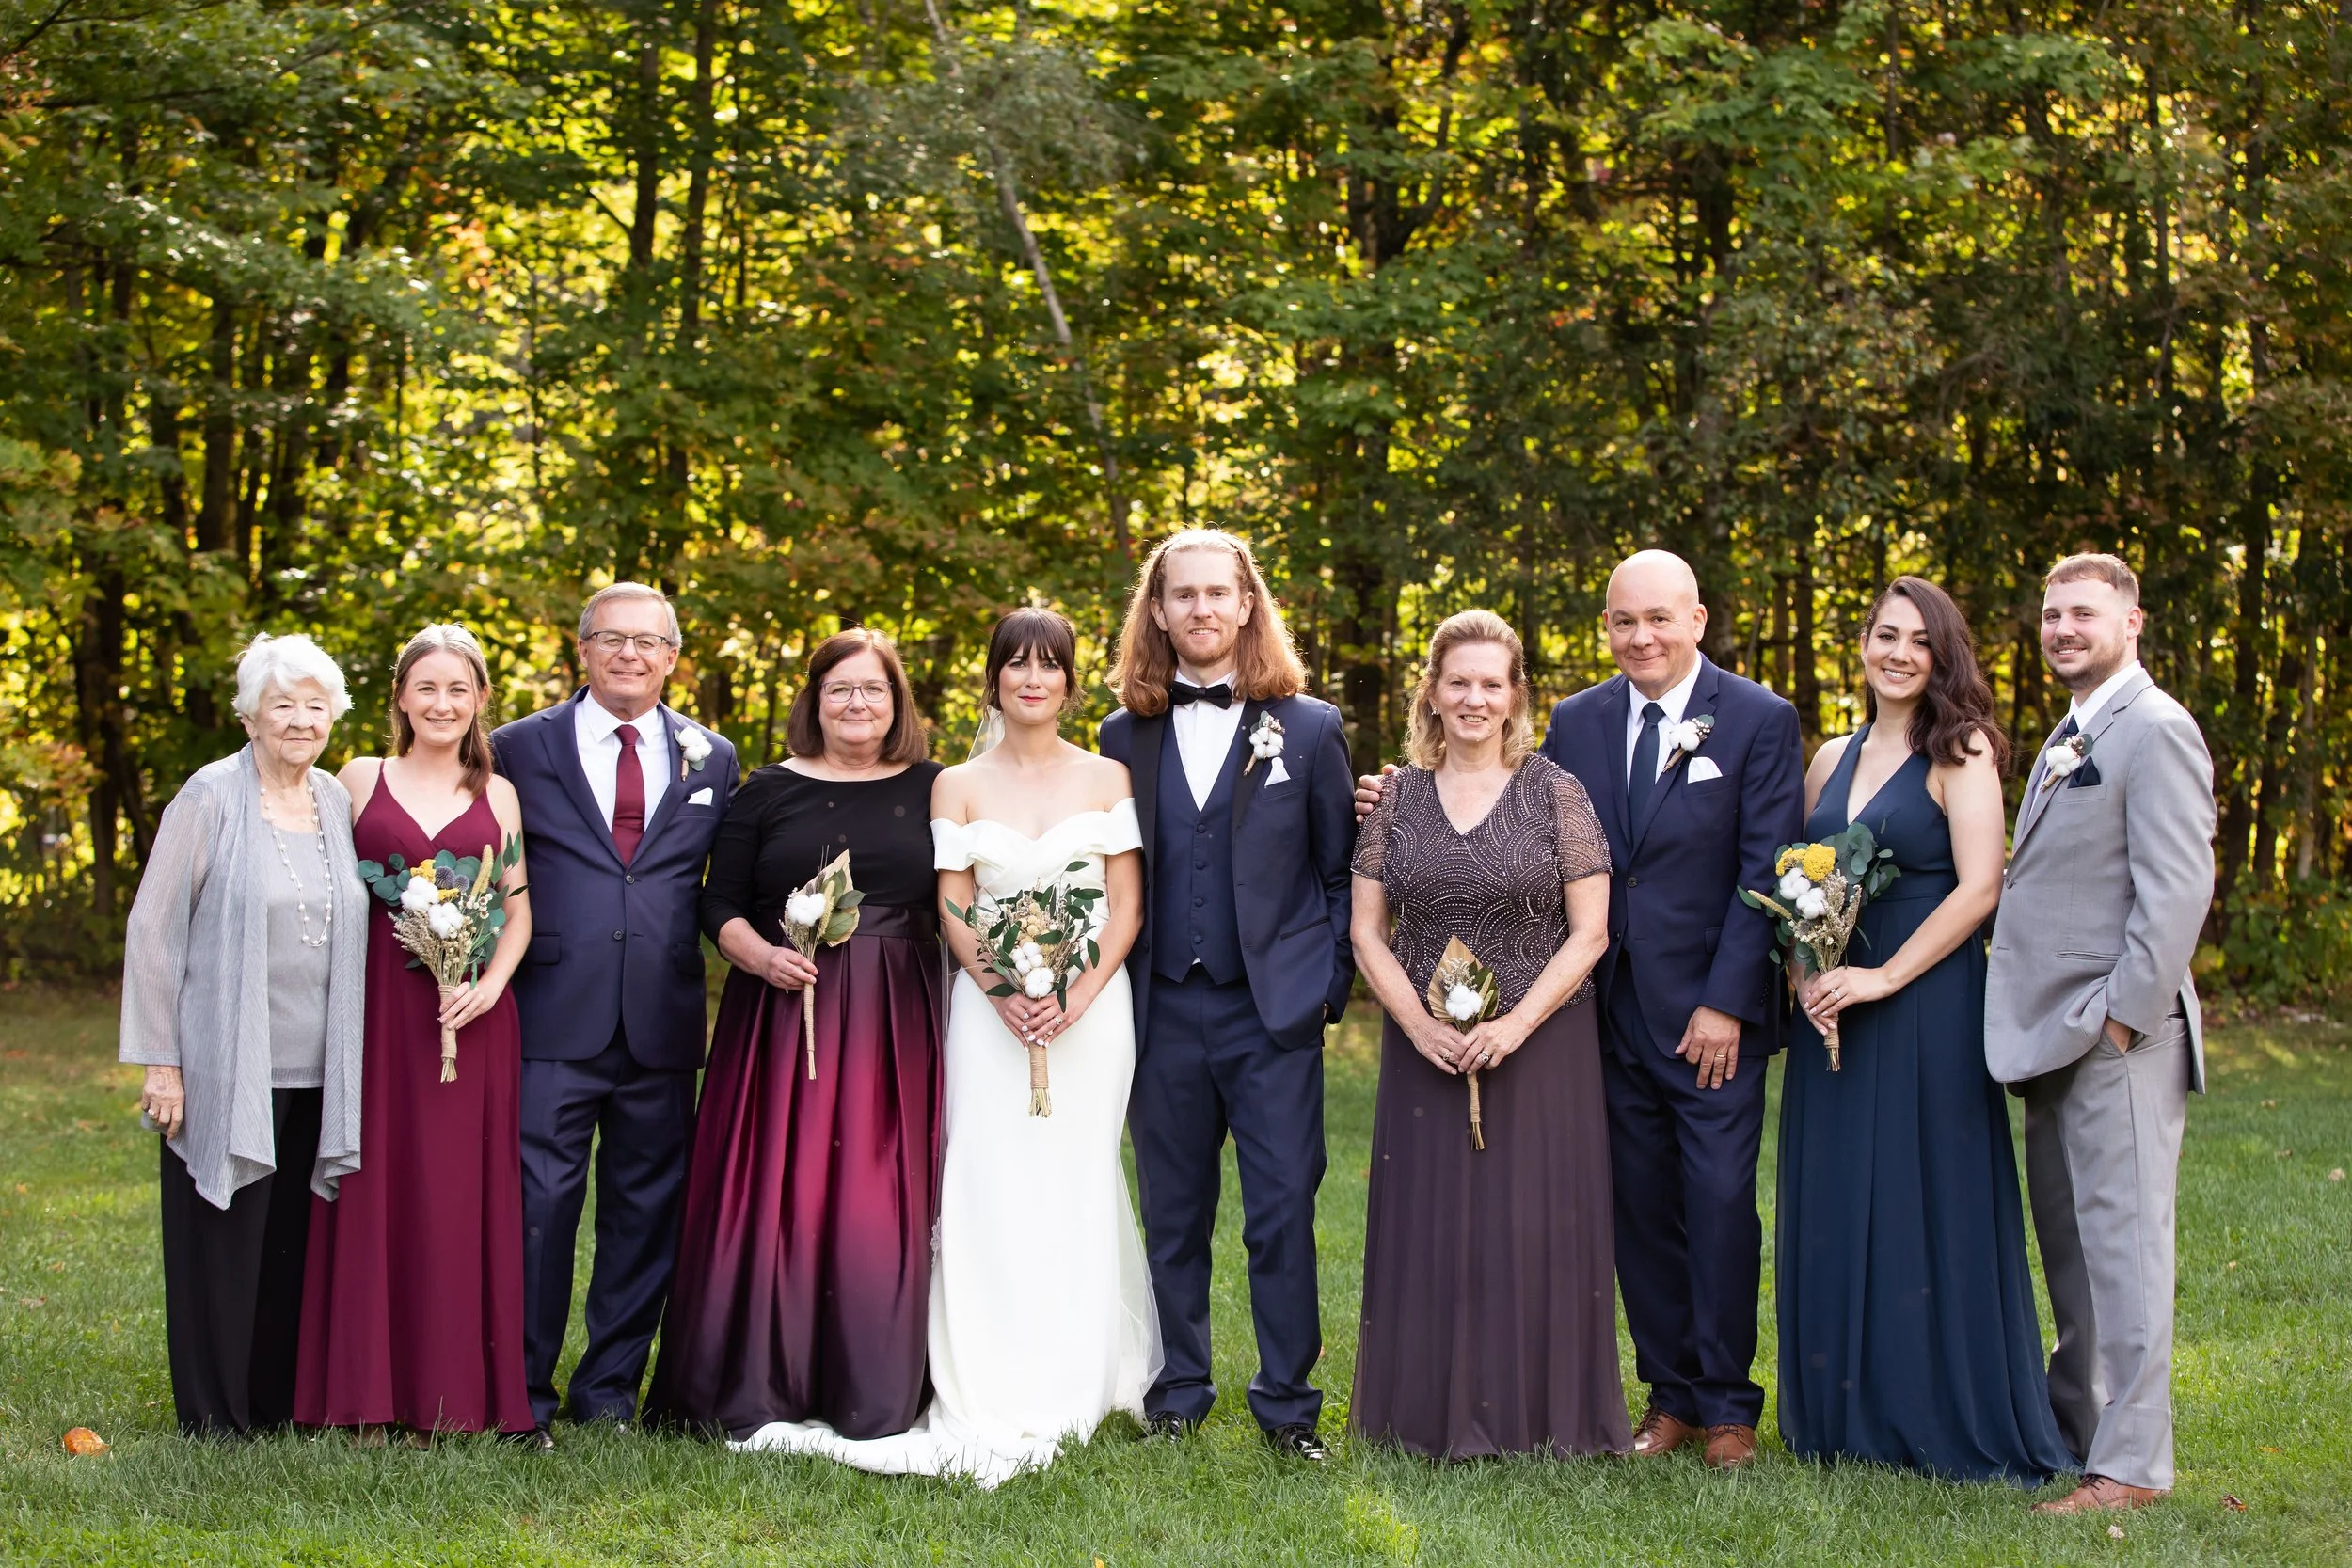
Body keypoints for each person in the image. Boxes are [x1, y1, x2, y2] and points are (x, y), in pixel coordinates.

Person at [1357, 549, 1803, 1468]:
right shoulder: (1581, 720)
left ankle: (1729, 1406)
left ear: (1696, 620)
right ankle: (1669, 1393)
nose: (1640, 636)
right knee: (1636, 1209)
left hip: (1707, 1016)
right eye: (1623, 620)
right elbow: (1518, 822)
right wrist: (1382, 792)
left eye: (1658, 618)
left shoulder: (1757, 719)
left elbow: (1764, 870)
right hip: (1600, 1016)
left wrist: (1726, 999)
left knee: (1718, 1200)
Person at [737, 608, 1156, 1486]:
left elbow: (1126, 907)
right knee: (983, 1178)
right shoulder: (955, 784)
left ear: (1072, 683)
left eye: (1050, 665)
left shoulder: (1109, 773)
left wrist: (1073, 994)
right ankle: (986, 1371)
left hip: (1091, 1013)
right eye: (1016, 665)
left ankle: (1075, 1372)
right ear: (993, 679)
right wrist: (1006, 990)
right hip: (987, 1013)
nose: (1032, 679)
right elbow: (954, 907)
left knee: (1075, 1174)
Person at [1783, 578, 2073, 1483]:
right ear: (1863, 645)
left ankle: (1936, 1408)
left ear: (1943, 654)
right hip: (1834, 1008)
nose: (1899, 652)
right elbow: (1802, 878)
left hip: (1926, 1003)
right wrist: (1807, 973)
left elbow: (1982, 886)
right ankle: (1841, 1415)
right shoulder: (1830, 756)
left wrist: (1883, 975)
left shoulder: (1962, 748)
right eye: (1884, 635)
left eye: (1919, 640)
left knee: (1923, 1195)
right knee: (1835, 1199)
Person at [645, 629, 945, 1439]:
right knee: (778, 1186)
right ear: (813, 699)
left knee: (879, 1190)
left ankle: (873, 1381)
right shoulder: (766, 788)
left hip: (899, 1018)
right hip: (781, 1013)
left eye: (873, 690)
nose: (857, 703)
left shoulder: (936, 786)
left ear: (897, 702)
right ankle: (753, 1375)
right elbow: (718, 902)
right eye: (840, 688)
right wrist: (761, 956)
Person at [1097, 530, 1356, 1462]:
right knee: (1173, 1211)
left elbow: (1339, 871)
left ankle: (1288, 1406)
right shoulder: (1118, 736)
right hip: (1160, 1007)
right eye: (1183, 594)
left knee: (1282, 1211)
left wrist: (1323, 989)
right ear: (1157, 610)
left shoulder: (1313, 727)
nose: (1202, 608)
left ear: (1247, 604)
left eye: (1219, 592)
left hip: (1271, 1014)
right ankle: (1178, 1388)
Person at [1347, 611, 1625, 1459]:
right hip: (1423, 1050)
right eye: (1457, 681)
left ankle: (1548, 1417)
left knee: (1536, 1224)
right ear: (1431, 691)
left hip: (1543, 1047)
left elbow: (1592, 931)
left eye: (1490, 684)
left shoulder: (1555, 791)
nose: (1473, 698)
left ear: (1515, 698)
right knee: (1431, 1227)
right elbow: (1366, 929)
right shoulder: (1395, 797)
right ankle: (1422, 1415)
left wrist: (1513, 1023)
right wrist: (1419, 1025)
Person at [1984, 554, 2216, 1515]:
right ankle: (2079, 1434)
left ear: (2132, 619)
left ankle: (2132, 1469)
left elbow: (2176, 889)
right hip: (2053, 1036)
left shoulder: (2153, 727)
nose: (2062, 627)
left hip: (2114, 1035)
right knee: (2074, 1252)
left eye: (2083, 611)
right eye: (2050, 613)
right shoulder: (2073, 731)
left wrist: (2120, 1016)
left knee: (2123, 1252)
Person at [488, 583, 739, 1437]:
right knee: (538, 1209)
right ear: (583, 650)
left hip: (662, 1021)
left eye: (648, 641)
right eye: (612, 639)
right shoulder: (518, 748)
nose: (630, 654)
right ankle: (519, 1389)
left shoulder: (715, 756)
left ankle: (608, 1392)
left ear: (674, 656)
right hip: (550, 1013)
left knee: (644, 1212)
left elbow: (723, 883)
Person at [119, 634, 368, 1436]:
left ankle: (270, 1405)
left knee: (289, 1246)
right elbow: (153, 930)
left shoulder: (333, 797)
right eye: (283, 704)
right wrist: (163, 1063)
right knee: (221, 1243)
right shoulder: (211, 794)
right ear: (249, 714)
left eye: (315, 705)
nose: (300, 719)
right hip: (228, 1059)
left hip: (316, 1064)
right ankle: (212, 1413)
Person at [294, 623, 536, 1439]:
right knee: (378, 1182)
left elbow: (516, 908)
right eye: (425, 687)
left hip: (472, 1018)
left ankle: (463, 1394)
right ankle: (363, 1392)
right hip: (378, 1015)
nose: (441, 702)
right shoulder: (358, 779)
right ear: (400, 696)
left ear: (479, 703)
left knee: (459, 1195)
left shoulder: (498, 795)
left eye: (457, 690)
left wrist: (491, 985)